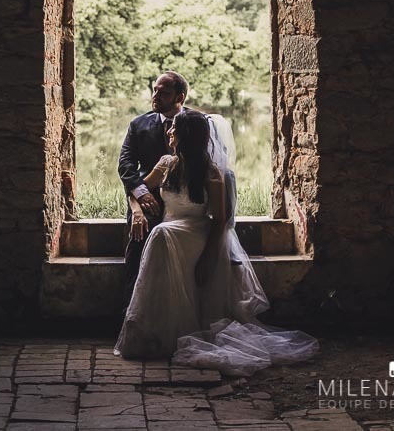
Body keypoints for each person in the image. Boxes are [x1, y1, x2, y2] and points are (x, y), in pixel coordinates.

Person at [114, 109, 318, 375]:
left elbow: (220, 220)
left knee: (161, 235)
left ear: (186, 136)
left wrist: (210, 258)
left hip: (197, 233)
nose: (169, 131)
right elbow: (136, 189)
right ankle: (159, 334)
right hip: (170, 232)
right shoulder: (165, 164)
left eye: (174, 128)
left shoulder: (211, 173)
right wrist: (137, 210)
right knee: (161, 234)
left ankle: (179, 333)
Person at [118, 72, 194, 294]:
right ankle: (132, 299)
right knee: (140, 232)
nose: (155, 96)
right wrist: (141, 195)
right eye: (155, 90)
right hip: (149, 195)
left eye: (164, 93)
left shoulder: (195, 122)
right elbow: (126, 166)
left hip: (187, 198)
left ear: (179, 97)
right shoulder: (138, 124)